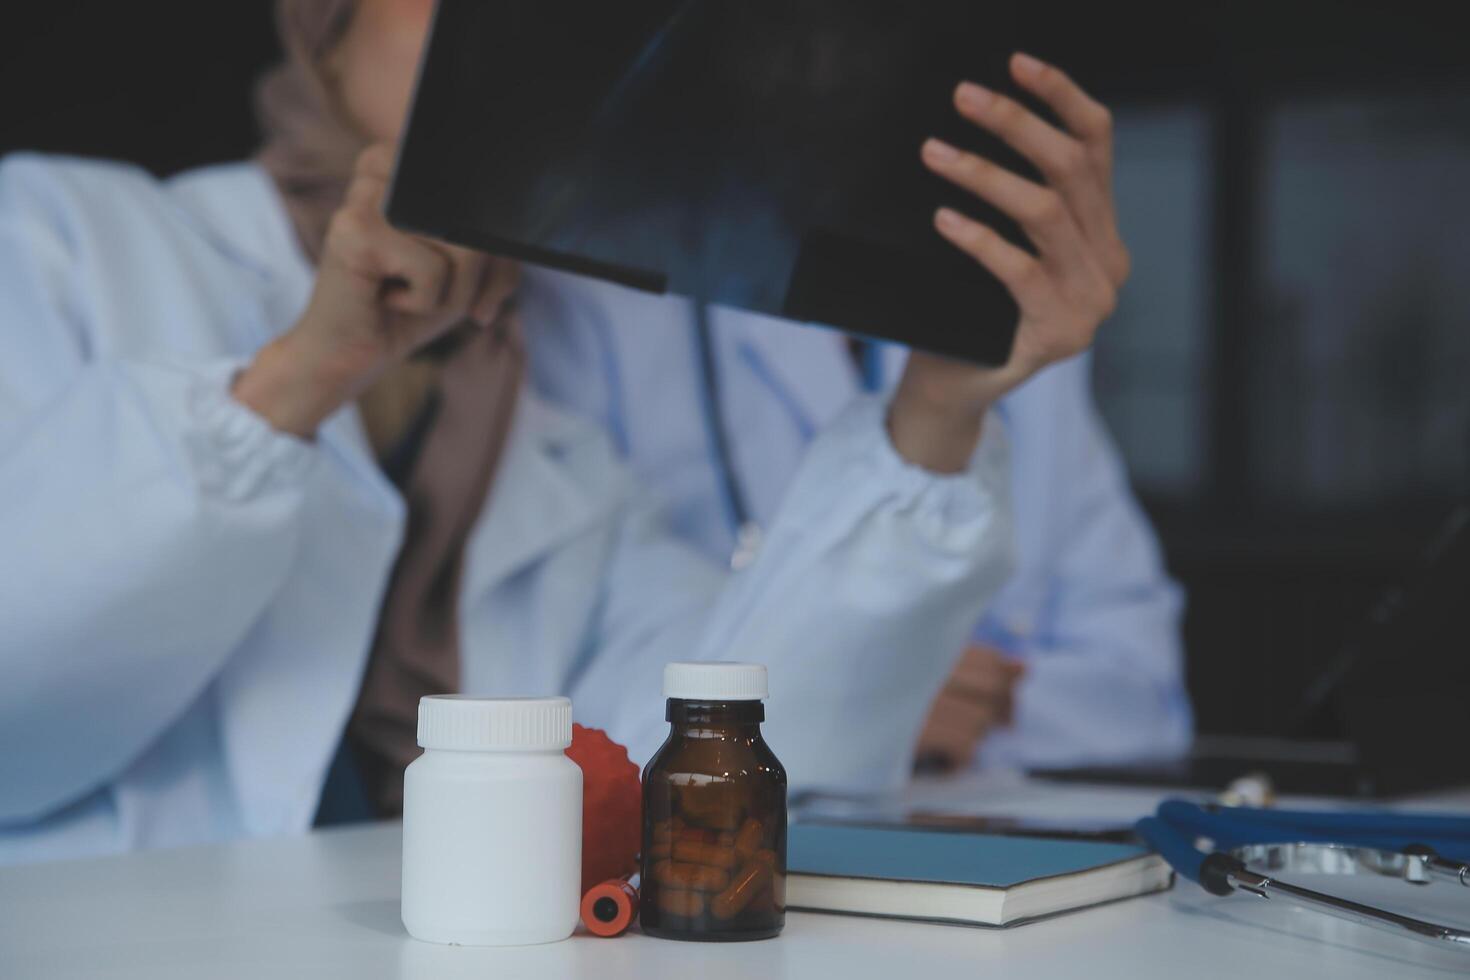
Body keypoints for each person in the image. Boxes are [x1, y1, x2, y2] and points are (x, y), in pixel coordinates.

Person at [0, 0, 1128, 864]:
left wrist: (935, 409)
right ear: (323, 24)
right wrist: (305, 376)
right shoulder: (64, 237)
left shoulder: (553, 435)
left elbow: (709, 790)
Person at [523, 294, 1191, 774]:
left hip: (999, 824)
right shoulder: (597, 308)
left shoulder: (1013, 320)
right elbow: (560, 692)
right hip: (767, 845)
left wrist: (901, 695)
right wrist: (879, 691)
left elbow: (1145, 694)